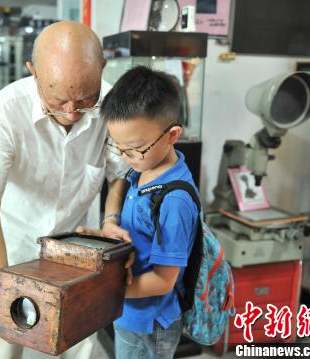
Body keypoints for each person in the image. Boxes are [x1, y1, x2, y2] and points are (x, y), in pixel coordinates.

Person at [0, 21, 130, 359]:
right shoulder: (5, 112)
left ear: (102, 68)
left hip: (77, 255)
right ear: (33, 72)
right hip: (11, 251)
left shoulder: (113, 104)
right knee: (5, 345)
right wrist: (2, 286)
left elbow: (118, 176)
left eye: (85, 99)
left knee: (82, 344)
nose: (72, 112)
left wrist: (111, 219)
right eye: (58, 99)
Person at [98, 66, 199, 359]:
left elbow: (163, 280)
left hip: (148, 323)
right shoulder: (143, 169)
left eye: (135, 148)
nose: (127, 157)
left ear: (172, 135)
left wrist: (105, 292)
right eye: (119, 148)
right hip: (129, 310)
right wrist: (111, 223)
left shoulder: (174, 200)